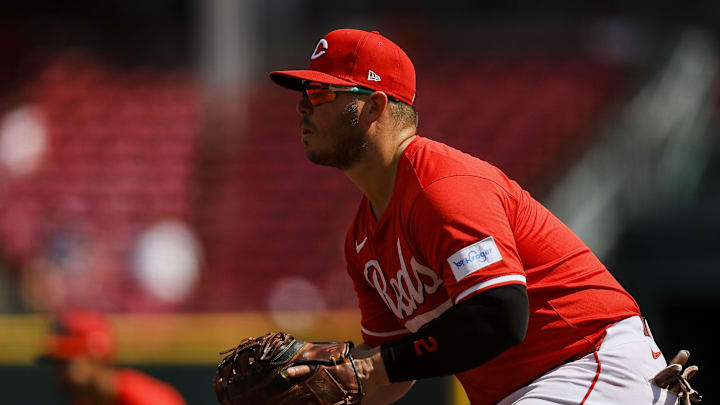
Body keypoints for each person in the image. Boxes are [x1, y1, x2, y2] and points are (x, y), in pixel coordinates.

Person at [268, 29, 700, 405]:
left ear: (375, 107)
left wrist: (371, 369)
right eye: (303, 93)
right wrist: (330, 379)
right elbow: (391, 370)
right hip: (532, 389)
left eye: (321, 92)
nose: (303, 106)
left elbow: (499, 316)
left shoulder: (441, 185)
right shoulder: (361, 241)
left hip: (585, 363)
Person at [39, 309, 186, 405]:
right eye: (56, 364)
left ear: (95, 357)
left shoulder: (148, 400)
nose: (59, 373)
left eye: (66, 362)